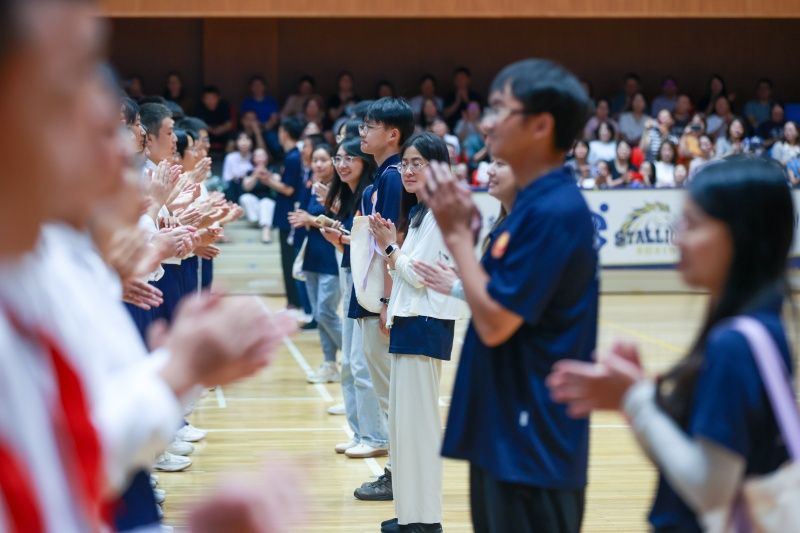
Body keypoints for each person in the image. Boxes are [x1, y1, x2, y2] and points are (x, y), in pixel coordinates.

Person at [548, 156, 795, 533]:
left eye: (692, 225)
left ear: (742, 236)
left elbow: (709, 489)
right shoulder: (763, 326)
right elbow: (688, 465)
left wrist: (636, 398)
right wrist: (636, 401)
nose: (676, 237)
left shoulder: (734, 345)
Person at [423, 58, 597, 533]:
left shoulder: (553, 211)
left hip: (532, 443)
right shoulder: (527, 209)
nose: (487, 120)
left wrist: (457, 237)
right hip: (509, 433)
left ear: (542, 125)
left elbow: (496, 320)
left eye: (501, 108)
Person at [367, 133, 467, 533]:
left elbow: (420, 276)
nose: (408, 170)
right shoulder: (424, 212)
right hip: (411, 322)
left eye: (417, 163)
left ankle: (426, 521)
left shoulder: (442, 212)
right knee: (404, 430)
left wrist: (390, 248)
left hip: (426, 324)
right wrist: (393, 249)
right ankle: (410, 514)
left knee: (420, 430)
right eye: (405, 163)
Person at [351, 97, 416, 502]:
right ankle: (401, 469)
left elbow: (397, 240)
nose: (362, 132)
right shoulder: (382, 177)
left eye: (370, 126)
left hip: (383, 300)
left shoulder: (393, 178)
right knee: (385, 390)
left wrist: (388, 302)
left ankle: (398, 473)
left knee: (391, 393)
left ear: (392, 134)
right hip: (375, 295)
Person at [318, 138, 388, 458]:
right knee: (349, 363)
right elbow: (352, 249)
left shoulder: (372, 192)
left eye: (350, 158)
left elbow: (373, 248)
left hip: (366, 283)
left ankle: (375, 436)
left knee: (360, 363)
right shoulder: (351, 196)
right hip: (351, 277)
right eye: (339, 158)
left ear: (364, 161)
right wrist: (339, 239)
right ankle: (360, 432)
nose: (342, 164)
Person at [288, 144, 343, 383]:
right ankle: (329, 363)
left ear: (333, 162)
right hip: (312, 257)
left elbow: (343, 223)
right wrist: (303, 219)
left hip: (334, 258)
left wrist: (310, 219)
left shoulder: (342, 189)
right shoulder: (311, 187)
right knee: (320, 315)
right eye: (315, 160)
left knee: (325, 312)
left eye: (323, 160)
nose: (318, 164)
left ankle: (355, 355)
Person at [270, 117, 306, 310]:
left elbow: (289, 189)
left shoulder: (293, 157)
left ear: (284, 133)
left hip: (288, 213)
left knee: (289, 259)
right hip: (287, 212)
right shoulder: (293, 155)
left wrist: (267, 180)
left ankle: (295, 301)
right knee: (289, 258)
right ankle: (294, 300)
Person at [239, 148, 277, 243]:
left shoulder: (273, 169)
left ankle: (266, 231)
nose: (260, 158)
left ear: (267, 157)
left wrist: (267, 176)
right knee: (244, 198)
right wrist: (255, 175)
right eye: (257, 156)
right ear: (253, 158)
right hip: (255, 206)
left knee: (265, 203)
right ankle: (257, 221)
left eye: (262, 155)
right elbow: (246, 187)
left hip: (268, 202)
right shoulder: (249, 172)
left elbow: (278, 184)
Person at [197, 85, 233, 154]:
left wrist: (219, 130)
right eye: (207, 98)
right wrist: (211, 130)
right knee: (199, 135)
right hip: (208, 132)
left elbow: (229, 124)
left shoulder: (224, 105)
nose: (210, 101)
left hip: (222, 132)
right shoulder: (199, 107)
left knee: (232, 137)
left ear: (218, 98)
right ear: (203, 100)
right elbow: (198, 124)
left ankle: (227, 160)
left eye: (213, 98)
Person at [222, 131, 254, 203]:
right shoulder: (230, 157)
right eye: (240, 139)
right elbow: (227, 178)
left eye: (247, 139)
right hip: (234, 188)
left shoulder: (254, 156)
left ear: (251, 141)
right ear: (236, 142)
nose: (244, 142)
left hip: (252, 188)